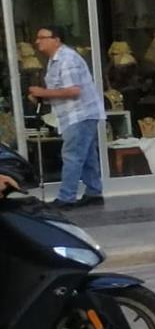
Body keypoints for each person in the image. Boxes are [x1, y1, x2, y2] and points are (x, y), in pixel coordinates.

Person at [26, 25, 105, 210]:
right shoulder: (54, 60)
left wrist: (42, 92)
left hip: (79, 114)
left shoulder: (67, 59)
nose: (38, 41)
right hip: (76, 114)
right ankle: (94, 192)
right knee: (86, 156)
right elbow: (60, 90)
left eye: (42, 37)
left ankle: (66, 197)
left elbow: (73, 90)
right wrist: (42, 96)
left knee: (72, 156)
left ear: (56, 39)